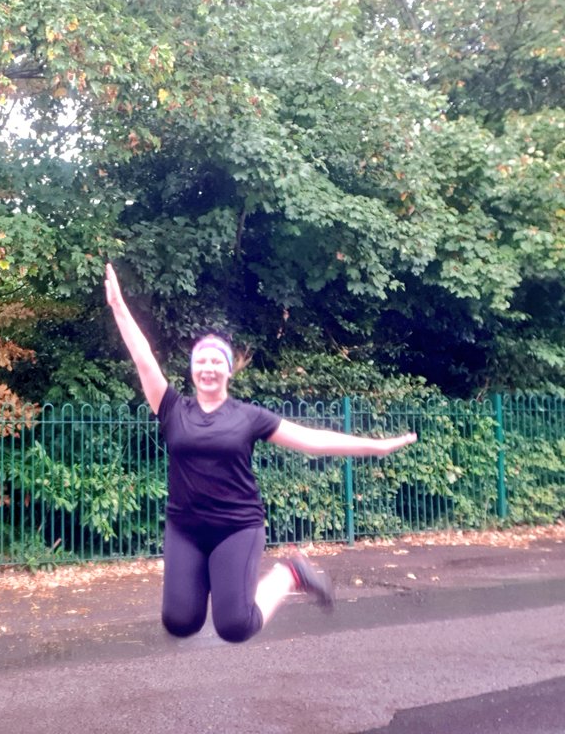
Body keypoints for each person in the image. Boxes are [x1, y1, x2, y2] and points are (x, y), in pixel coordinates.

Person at [104, 263, 416, 643]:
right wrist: (119, 306)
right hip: (185, 527)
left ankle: (292, 573)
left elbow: (311, 440)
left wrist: (375, 447)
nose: (208, 367)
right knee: (179, 622)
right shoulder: (171, 409)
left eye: (217, 361)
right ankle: (209, 579)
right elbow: (143, 358)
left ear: (229, 370)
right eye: (201, 360)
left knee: (235, 626)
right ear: (191, 369)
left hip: (237, 525)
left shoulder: (248, 417)